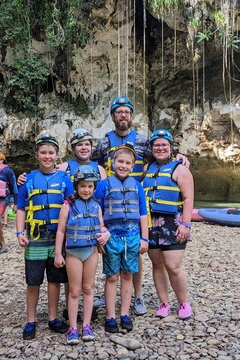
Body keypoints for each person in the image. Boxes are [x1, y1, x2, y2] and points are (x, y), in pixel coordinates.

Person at [90, 97, 189, 316]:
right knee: (112, 250)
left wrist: (181, 156)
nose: (123, 115)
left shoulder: (143, 140)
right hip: (113, 205)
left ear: (131, 115)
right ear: (113, 116)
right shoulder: (105, 142)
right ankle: (110, 292)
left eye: (127, 111)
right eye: (119, 112)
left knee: (135, 253)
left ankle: (138, 296)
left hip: (136, 204)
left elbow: (162, 156)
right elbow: (91, 163)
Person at [16, 133, 73, 340]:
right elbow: (21, 208)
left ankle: (52, 318)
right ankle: (30, 320)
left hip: (58, 239)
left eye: (51, 153)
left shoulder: (65, 181)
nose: (47, 156)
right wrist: (20, 232)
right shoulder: (28, 179)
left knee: (55, 280)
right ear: (37, 155)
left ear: (57, 156)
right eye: (43, 153)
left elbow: (73, 205)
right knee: (33, 281)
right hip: (35, 237)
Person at [93, 144, 149, 333]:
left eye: (127, 163)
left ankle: (124, 313)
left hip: (132, 237)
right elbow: (97, 210)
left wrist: (145, 239)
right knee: (111, 277)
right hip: (112, 237)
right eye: (120, 162)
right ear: (112, 163)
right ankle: (110, 316)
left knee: (127, 275)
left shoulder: (137, 186)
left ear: (133, 166)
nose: (123, 166)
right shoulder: (103, 185)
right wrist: (100, 234)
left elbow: (143, 213)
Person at [54, 165, 110, 345]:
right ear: (77, 187)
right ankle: (72, 327)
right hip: (73, 254)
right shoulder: (67, 206)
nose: (86, 190)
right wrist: (58, 254)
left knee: (89, 288)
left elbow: (101, 226)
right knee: (74, 291)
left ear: (94, 187)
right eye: (83, 186)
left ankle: (87, 325)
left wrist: (105, 233)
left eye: (90, 186)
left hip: (91, 252)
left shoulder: (96, 206)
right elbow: (61, 231)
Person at [143, 129, 194, 320]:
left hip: (173, 223)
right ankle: (164, 303)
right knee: (157, 264)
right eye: (156, 145)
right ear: (152, 148)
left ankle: (183, 303)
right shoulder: (148, 168)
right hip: (151, 223)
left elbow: (188, 198)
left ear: (171, 147)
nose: (160, 148)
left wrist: (186, 225)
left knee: (173, 265)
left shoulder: (180, 168)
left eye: (164, 145)